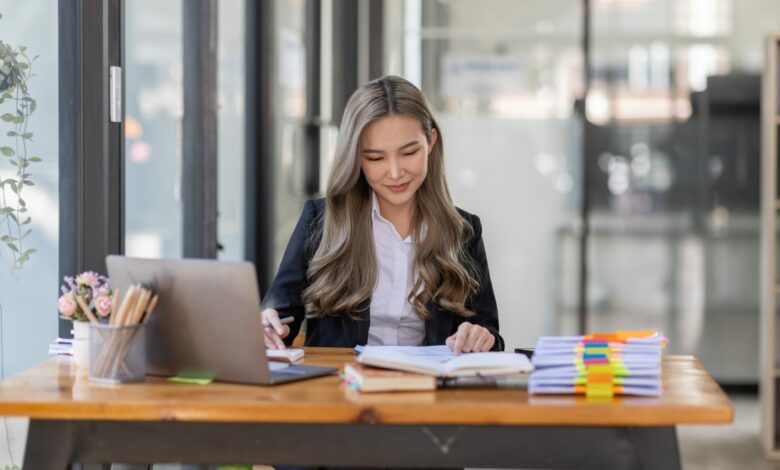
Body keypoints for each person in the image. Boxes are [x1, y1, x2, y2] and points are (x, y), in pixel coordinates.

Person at [261, 75, 503, 355]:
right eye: (375, 158)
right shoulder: (321, 221)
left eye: (409, 152)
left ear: (431, 141)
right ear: (356, 157)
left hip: (430, 392)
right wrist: (269, 326)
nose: (395, 172)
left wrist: (480, 336)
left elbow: (491, 335)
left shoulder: (463, 230)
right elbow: (279, 315)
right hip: (340, 390)